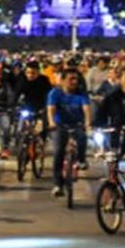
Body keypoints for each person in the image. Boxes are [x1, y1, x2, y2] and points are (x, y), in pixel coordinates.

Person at [47, 68, 92, 197]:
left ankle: (81, 159)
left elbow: (86, 110)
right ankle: (57, 184)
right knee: (58, 152)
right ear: (62, 80)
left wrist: (88, 124)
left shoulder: (81, 94)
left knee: (82, 137)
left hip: (77, 124)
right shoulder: (54, 93)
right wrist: (51, 123)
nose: (74, 82)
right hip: (59, 126)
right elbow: (51, 110)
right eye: (70, 79)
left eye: (76, 79)